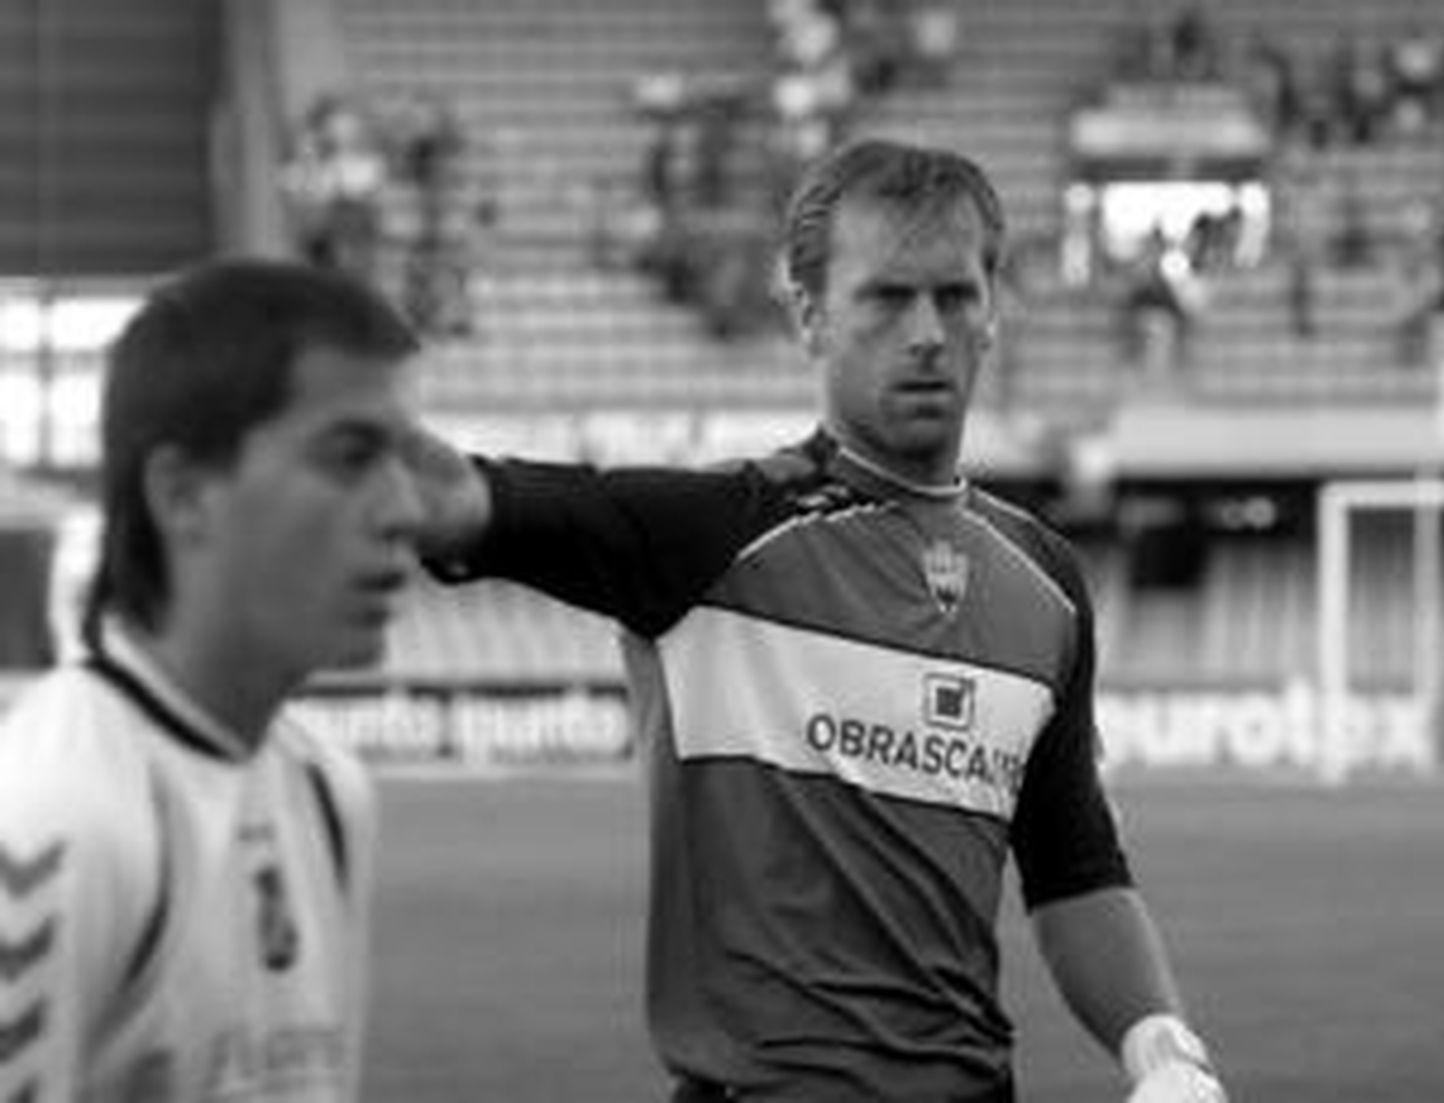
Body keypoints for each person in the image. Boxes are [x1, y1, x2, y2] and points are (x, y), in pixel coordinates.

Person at [412, 139, 1226, 1102]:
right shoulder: (706, 535)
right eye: (886, 297)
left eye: (955, 296)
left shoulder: (1045, 581)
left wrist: (1162, 1046)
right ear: (808, 315)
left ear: (994, 314)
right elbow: (446, 497)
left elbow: (1075, 862)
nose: (927, 330)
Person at [0, 259, 424, 1101]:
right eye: (350, 458)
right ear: (183, 492)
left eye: (403, 459)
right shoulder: (56, 821)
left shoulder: (326, 789)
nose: (404, 508)